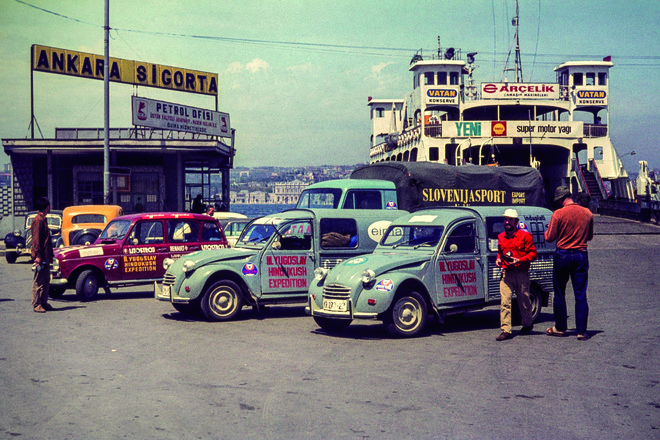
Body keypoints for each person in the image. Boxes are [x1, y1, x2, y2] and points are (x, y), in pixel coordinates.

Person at [544, 186, 594, 340]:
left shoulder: (558, 214)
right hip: (580, 254)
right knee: (580, 295)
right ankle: (581, 332)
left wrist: (549, 230)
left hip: (563, 255)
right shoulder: (588, 213)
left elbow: (549, 238)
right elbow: (590, 237)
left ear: (560, 199)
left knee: (559, 293)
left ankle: (560, 328)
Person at [495, 208, 537, 341]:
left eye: (510, 219)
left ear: (516, 222)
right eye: (505, 219)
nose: (507, 222)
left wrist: (520, 259)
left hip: (521, 273)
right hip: (507, 273)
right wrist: (498, 259)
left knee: (524, 300)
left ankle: (527, 323)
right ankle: (506, 330)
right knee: (505, 302)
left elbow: (533, 254)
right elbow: (500, 251)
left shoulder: (525, 236)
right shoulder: (501, 236)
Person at [31, 197, 55, 313]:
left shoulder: (43, 219)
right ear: (47, 207)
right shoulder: (38, 220)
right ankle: (37, 304)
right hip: (41, 256)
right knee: (38, 281)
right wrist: (37, 256)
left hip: (45, 255)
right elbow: (36, 240)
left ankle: (44, 302)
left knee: (45, 281)